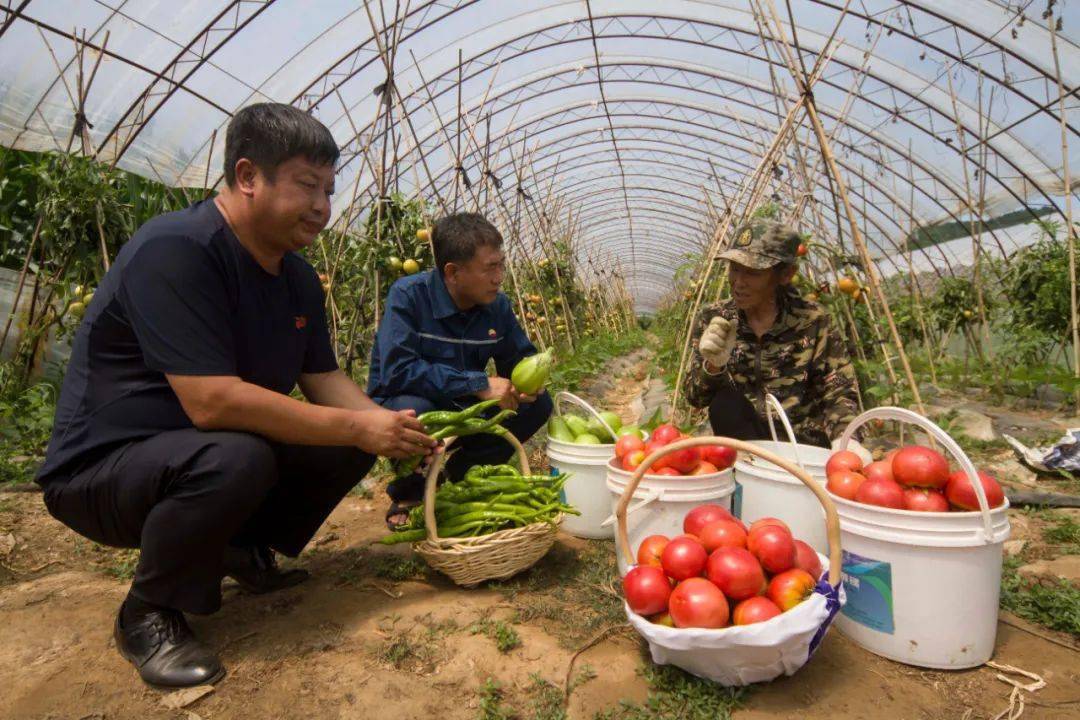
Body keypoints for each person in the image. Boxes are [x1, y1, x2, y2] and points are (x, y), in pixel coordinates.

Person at [36, 103, 437, 688]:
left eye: (329, 189)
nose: (323, 207)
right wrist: (356, 426)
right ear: (248, 176)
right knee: (242, 454)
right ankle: (148, 612)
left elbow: (323, 380)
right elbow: (212, 403)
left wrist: (391, 429)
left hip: (198, 454)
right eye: (307, 186)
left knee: (350, 440)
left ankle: (237, 549)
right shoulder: (176, 250)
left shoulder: (296, 278)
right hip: (104, 470)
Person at [367, 213, 553, 528]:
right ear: (452, 272)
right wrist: (479, 383)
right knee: (417, 411)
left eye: (501, 265)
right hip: (403, 400)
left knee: (538, 406)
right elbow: (397, 372)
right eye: (489, 268)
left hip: (460, 399)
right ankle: (411, 489)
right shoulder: (409, 296)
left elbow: (517, 357)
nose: (499, 277)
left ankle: (454, 476)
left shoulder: (497, 306)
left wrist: (526, 384)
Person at [684, 218, 867, 455]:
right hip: (743, 445)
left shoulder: (813, 321)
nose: (738, 283)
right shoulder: (716, 318)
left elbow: (838, 392)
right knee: (725, 404)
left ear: (786, 274)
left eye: (752, 272)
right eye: (735, 269)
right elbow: (695, 398)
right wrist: (712, 366)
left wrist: (846, 441)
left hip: (803, 448)